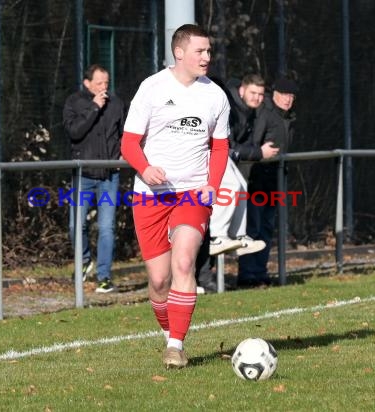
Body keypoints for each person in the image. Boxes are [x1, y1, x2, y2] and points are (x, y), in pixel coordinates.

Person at [121, 24, 230, 368]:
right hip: (151, 196)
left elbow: (221, 145)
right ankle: (172, 334)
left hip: (193, 194)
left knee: (184, 262)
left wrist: (212, 184)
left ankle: (176, 345)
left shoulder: (216, 95)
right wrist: (145, 168)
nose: (207, 57)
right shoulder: (151, 88)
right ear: (179, 52)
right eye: (200, 51)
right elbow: (128, 143)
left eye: (209, 51)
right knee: (158, 280)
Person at [195, 74, 279, 293]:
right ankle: (218, 236)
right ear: (241, 91)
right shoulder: (229, 104)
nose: (258, 98)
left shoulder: (246, 111)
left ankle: (238, 236)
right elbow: (231, 143)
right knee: (231, 185)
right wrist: (257, 152)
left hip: (222, 152)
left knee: (240, 184)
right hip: (209, 152)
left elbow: (238, 143)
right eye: (253, 93)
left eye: (261, 94)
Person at [63, 64, 126, 293]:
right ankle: (84, 260)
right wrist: (93, 108)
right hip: (83, 176)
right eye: (99, 83)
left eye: (106, 83)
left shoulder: (117, 104)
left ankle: (104, 277)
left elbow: (124, 134)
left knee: (107, 227)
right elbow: (74, 132)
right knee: (75, 225)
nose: (103, 88)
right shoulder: (74, 103)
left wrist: (122, 153)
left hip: (109, 177)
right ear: (87, 83)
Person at [237, 76, 298, 288]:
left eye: (291, 96)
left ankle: (260, 272)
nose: (288, 99)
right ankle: (247, 275)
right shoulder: (265, 112)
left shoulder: (288, 118)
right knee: (252, 228)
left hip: (275, 180)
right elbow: (254, 144)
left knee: (266, 229)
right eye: (284, 95)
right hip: (256, 178)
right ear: (275, 94)